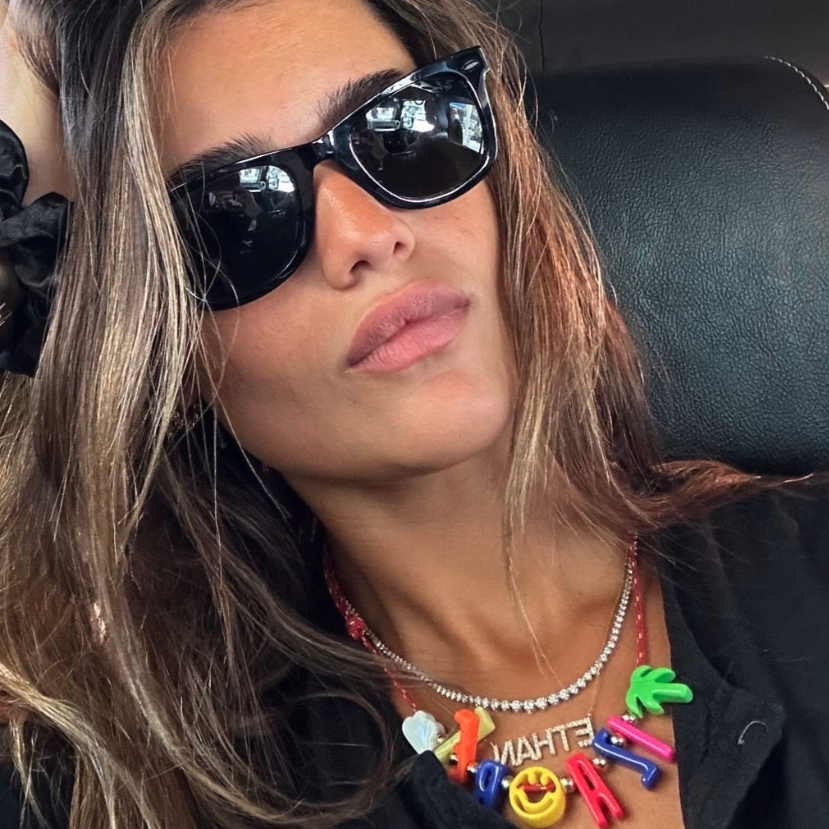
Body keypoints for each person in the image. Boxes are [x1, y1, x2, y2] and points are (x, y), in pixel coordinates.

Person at [0, 0, 826, 827]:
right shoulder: (132, 784)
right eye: (232, 214)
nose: (364, 233)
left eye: (401, 129)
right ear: (157, 354)